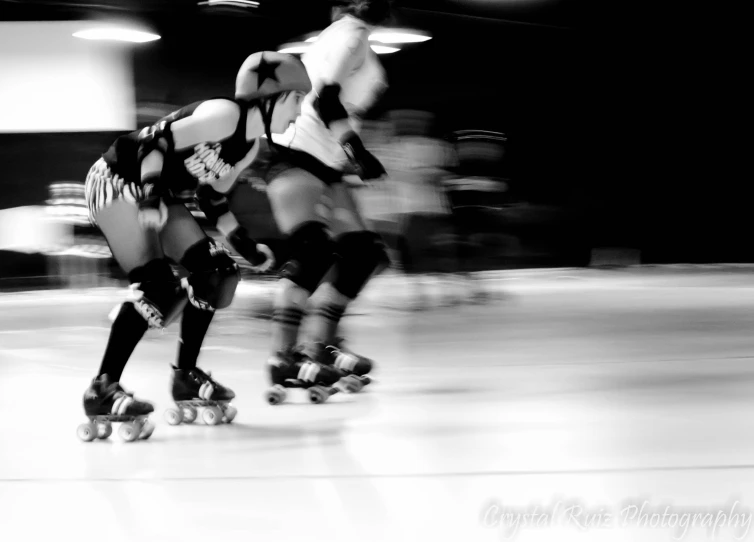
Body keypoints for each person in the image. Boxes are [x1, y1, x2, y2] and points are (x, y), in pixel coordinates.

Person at [77, 51, 313, 442]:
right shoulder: (224, 114)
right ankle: (102, 387)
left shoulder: (248, 146)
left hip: (158, 193)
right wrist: (151, 196)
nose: (300, 112)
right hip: (117, 178)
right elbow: (153, 143)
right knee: (158, 289)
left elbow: (212, 200)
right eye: (297, 100)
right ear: (269, 97)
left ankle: (185, 376)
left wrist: (246, 247)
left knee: (216, 274)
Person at [244, 0, 394, 398]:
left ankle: (320, 347)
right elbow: (326, 100)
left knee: (362, 252)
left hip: (323, 160)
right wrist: (357, 150)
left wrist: (349, 154)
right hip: (299, 154)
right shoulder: (352, 34)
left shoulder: (340, 38)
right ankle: (282, 355)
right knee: (314, 254)